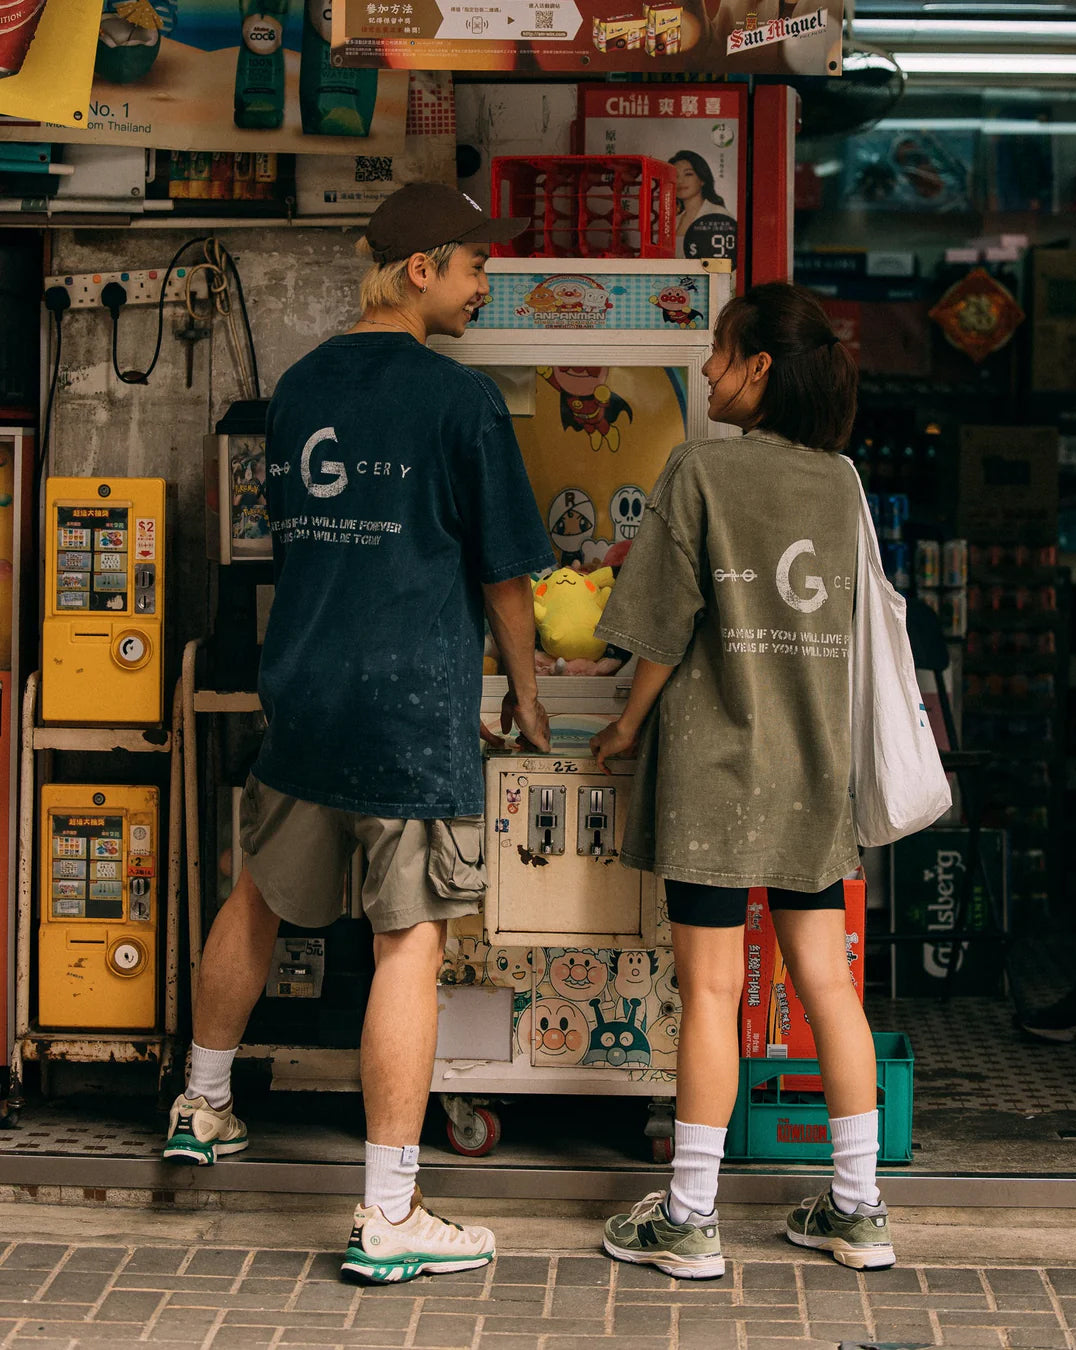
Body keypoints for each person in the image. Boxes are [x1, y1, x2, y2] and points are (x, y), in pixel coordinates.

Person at [162, 181, 555, 1284]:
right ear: (422, 269)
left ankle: (202, 1103)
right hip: (408, 707)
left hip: (305, 689)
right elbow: (506, 575)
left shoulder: (300, 385)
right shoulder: (458, 400)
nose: (486, 288)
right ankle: (389, 1214)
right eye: (477, 267)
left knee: (259, 893)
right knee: (407, 941)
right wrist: (526, 691)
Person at [590, 281, 895, 1276]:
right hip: (812, 768)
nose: (711, 372)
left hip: (715, 776)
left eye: (721, 353)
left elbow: (661, 627)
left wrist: (627, 726)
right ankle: (857, 1209)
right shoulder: (841, 484)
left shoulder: (700, 474)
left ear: (761, 366)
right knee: (828, 987)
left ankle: (689, 1219)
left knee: (711, 992)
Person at [669, 150, 737, 263]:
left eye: (688, 174)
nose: (680, 181)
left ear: (702, 179)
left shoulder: (718, 215)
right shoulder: (673, 221)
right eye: (675, 176)